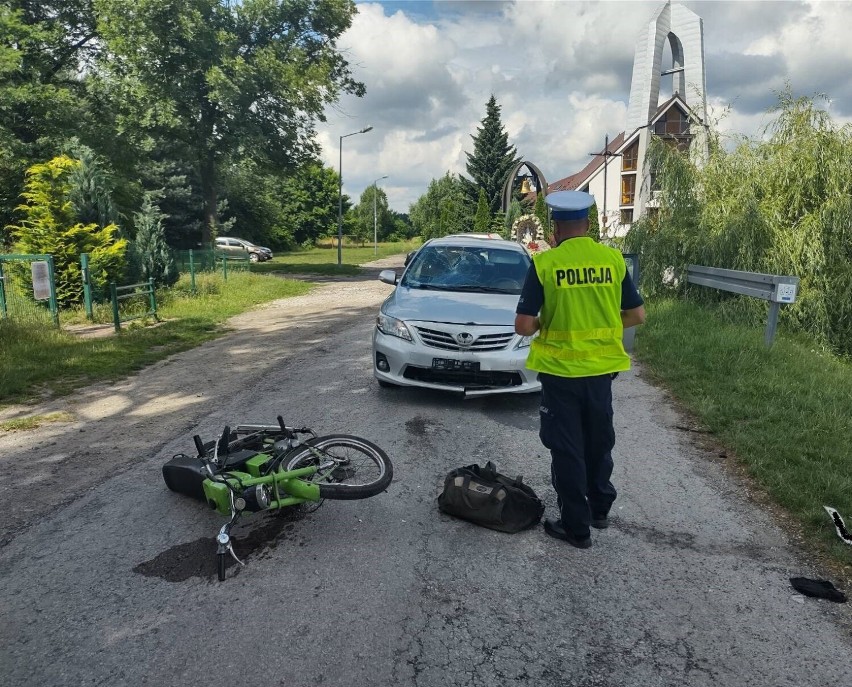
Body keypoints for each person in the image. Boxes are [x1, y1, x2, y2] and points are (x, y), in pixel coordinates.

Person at [514, 190, 645, 549]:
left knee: (566, 448)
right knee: (599, 441)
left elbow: (524, 326)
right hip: (601, 372)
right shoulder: (612, 260)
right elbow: (636, 315)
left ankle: (576, 528)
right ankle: (600, 510)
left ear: (555, 228)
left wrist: (546, 323)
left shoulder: (545, 264)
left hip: (560, 374)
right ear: (588, 225)